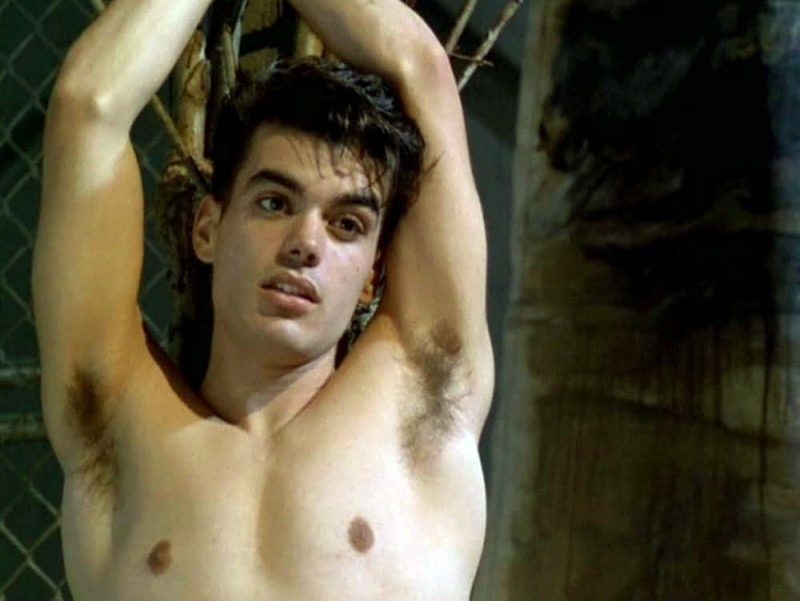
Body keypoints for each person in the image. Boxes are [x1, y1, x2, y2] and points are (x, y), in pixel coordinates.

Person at [33, 0, 493, 597]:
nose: (305, 243)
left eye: (346, 225)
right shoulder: (115, 423)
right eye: (275, 203)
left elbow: (419, 67)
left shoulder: (423, 396)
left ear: (373, 275)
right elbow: (88, 104)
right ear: (207, 229)